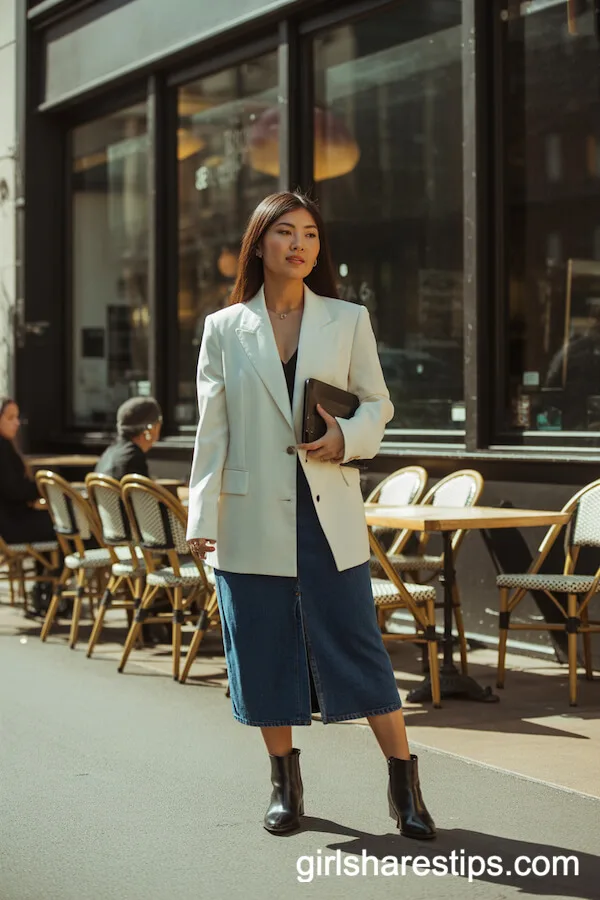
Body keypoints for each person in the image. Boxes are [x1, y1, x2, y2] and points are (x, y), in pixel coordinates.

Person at [186, 191, 435, 840]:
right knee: (265, 650)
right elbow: (212, 431)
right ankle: (284, 780)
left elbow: (376, 407)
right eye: (285, 233)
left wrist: (345, 439)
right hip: (248, 516)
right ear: (260, 243)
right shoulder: (223, 328)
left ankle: (404, 781)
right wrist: (199, 518)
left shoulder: (348, 319)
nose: (300, 244)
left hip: (327, 510)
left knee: (358, 645)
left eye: (311, 235)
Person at [0, 397, 55, 545]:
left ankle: (51, 567)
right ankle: (62, 568)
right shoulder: (3, 449)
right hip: (11, 525)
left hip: (10, 523)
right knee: (68, 524)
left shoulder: (6, 445)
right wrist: (41, 488)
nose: (17, 423)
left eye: (17, 417)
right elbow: (13, 489)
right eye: (10, 418)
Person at [94, 397, 163, 481]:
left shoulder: (108, 453)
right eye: (159, 422)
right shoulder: (133, 458)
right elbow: (141, 493)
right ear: (151, 428)